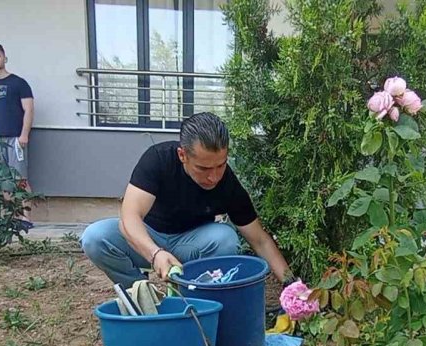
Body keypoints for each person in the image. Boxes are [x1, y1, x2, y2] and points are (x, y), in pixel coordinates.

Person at [81, 112, 292, 287]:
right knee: (95, 237)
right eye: (204, 168)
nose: (214, 177)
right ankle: (141, 295)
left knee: (226, 238)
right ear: (182, 155)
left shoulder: (227, 183)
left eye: (221, 165)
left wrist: (293, 285)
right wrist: (155, 253)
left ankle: (195, 293)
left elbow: (260, 240)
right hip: (148, 237)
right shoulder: (158, 160)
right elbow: (130, 217)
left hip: (192, 246)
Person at [0, 41, 35, 228]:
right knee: (3, 179)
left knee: (20, 179)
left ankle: (25, 218)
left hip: (15, 138)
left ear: (5, 57)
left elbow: (28, 109)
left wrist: (24, 135)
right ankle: (12, 216)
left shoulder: (18, 83)